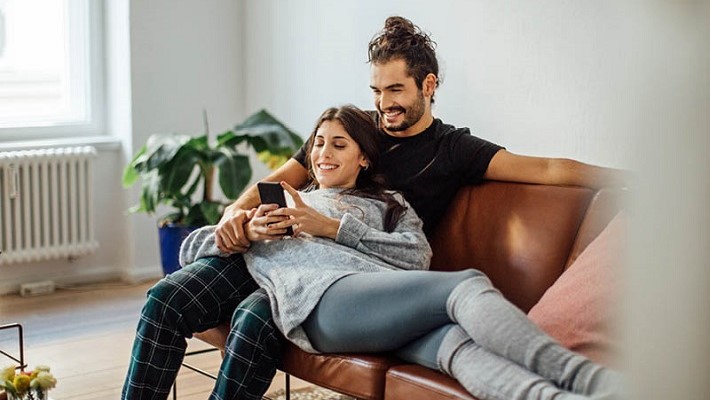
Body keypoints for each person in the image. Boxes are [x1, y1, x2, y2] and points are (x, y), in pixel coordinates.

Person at [121, 16, 625, 400]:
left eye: (397, 90)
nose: (384, 104)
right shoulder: (351, 129)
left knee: (258, 324)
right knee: (165, 302)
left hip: (353, 277)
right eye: (377, 90)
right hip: (280, 253)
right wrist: (236, 213)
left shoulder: (453, 150)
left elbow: (551, 170)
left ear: (428, 86)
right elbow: (282, 180)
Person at [181, 105, 622, 400]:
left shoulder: (389, 204)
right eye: (318, 144)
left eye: (339, 145)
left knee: (458, 348)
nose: (323, 154)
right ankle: (594, 382)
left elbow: (416, 258)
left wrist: (335, 228)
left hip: (374, 300)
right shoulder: (282, 201)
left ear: (363, 159)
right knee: (465, 284)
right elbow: (195, 247)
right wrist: (241, 229)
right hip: (319, 302)